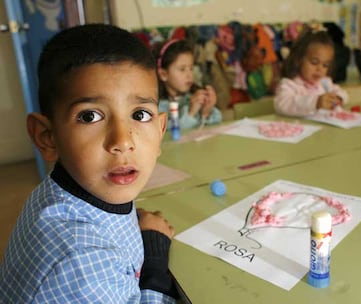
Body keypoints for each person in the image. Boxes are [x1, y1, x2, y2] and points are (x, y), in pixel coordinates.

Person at [0, 24, 178, 303]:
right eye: (89, 117)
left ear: (160, 129)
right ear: (47, 137)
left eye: (141, 115)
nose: (122, 141)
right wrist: (155, 255)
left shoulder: (63, 188)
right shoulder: (79, 265)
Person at [274, 29, 348, 117]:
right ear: (299, 60)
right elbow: (283, 105)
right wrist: (315, 102)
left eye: (325, 65)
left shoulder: (325, 83)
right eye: (314, 62)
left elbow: (342, 93)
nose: (319, 69)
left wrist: (339, 98)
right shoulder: (289, 85)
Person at [154, 39, 222, 129]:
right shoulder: (156, 106)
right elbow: (168, 133)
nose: (189, 75)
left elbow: (216, 123)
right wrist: (191, 112)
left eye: (191, 68)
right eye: (182, 69)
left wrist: (206, 112)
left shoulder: (192, 96)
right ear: (163, 74)